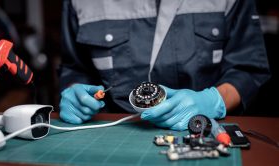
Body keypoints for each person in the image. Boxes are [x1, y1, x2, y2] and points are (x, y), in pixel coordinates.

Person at [58, 0, 270, 130]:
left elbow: (247, 68)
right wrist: (76, 96)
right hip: (115, 130)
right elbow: (75, 68)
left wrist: (213, 101)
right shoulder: (80, 2)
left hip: (203, 128)